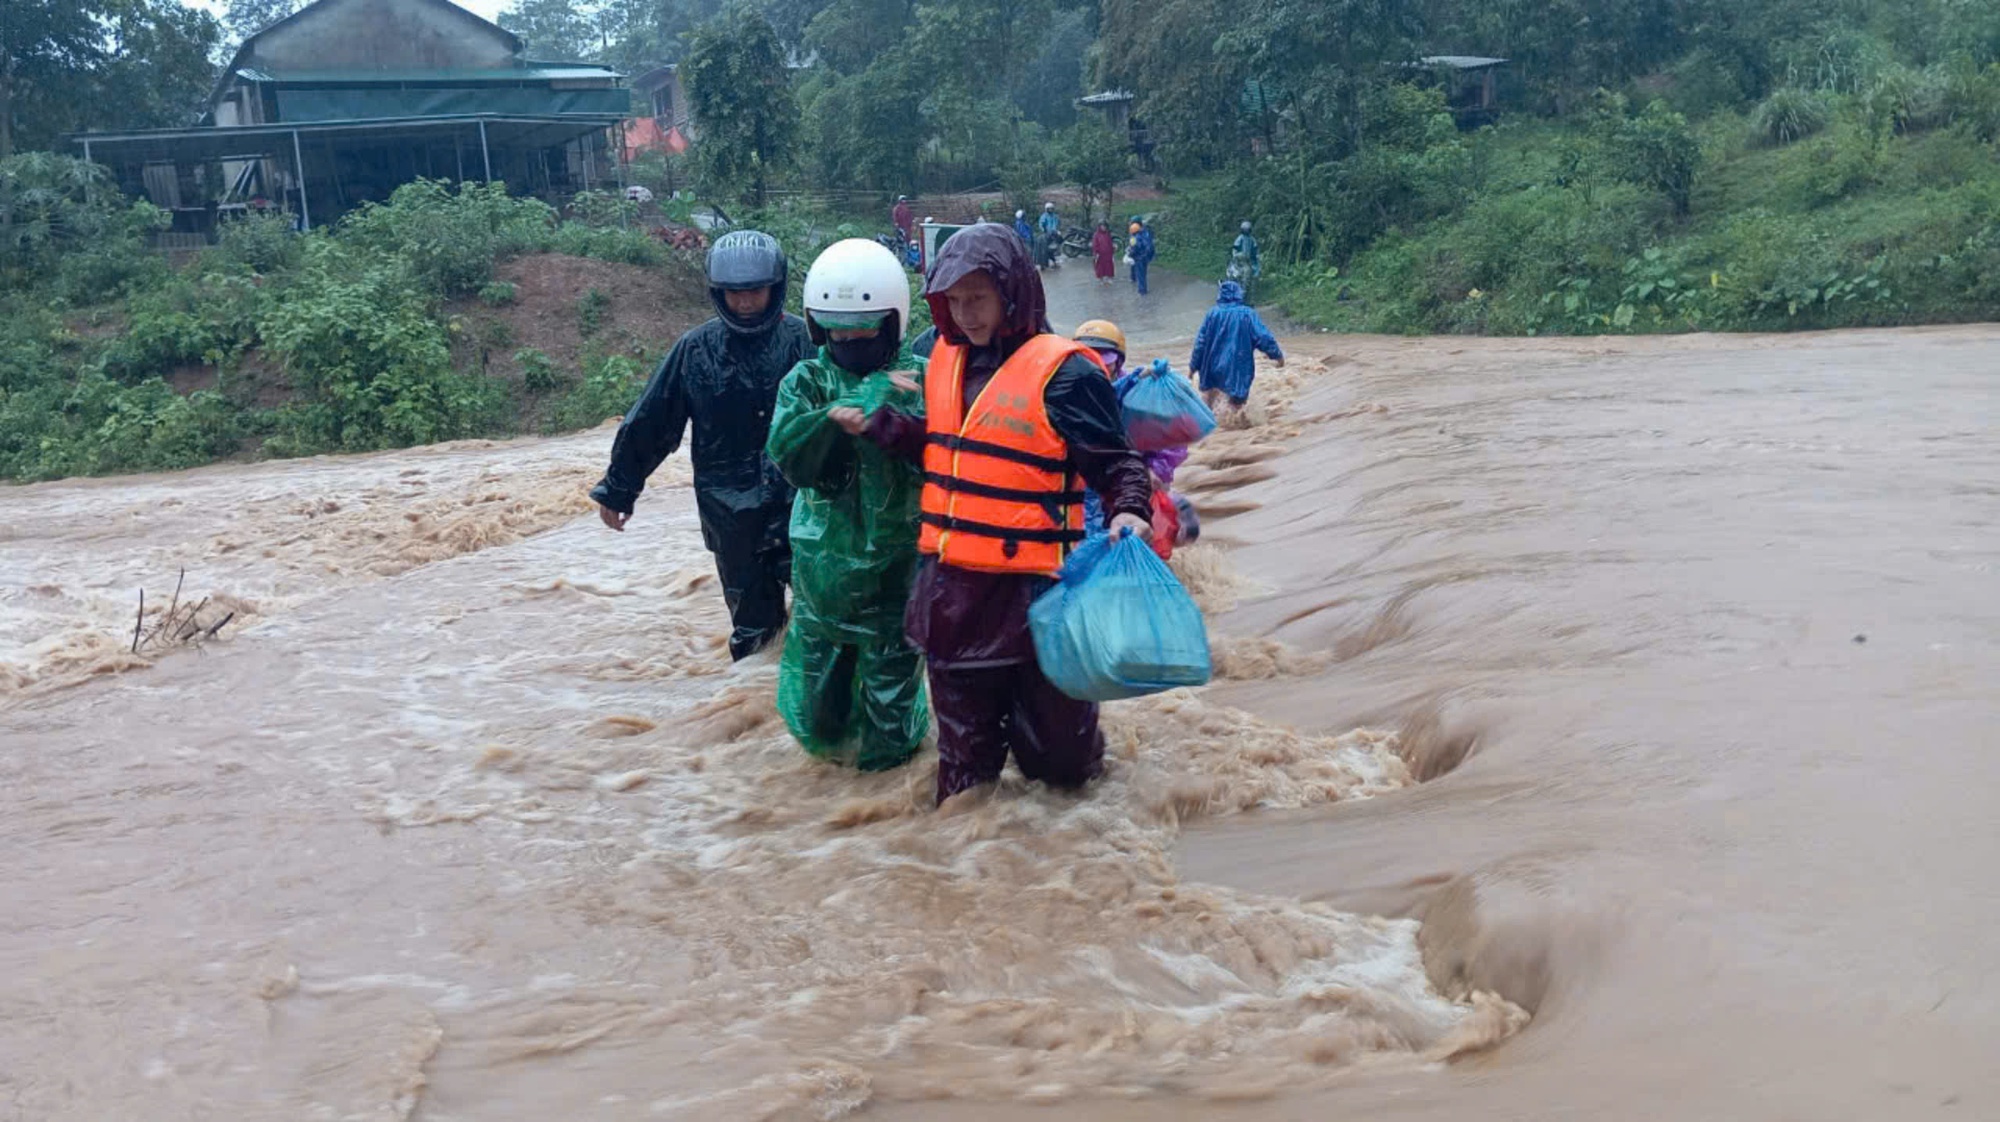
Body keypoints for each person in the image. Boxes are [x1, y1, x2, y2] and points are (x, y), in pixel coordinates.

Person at [832, 224, 1154, 805]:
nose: (965, 314)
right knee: (963, 778)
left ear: (1013, 291)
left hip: (1036, 602)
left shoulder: (1068, 375)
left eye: (976, 298)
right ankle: (964, 872)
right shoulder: (944, 362)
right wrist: (886, 427)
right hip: (952, 601)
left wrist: (1131, 510)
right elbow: (952, 451)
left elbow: (1119, 463)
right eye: (953, 302)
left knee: (1062, 769)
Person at [590, 230, 815, 661]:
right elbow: (652, 422)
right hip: (731, 517)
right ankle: (751, 713)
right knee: (755, 635)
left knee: (822, 619)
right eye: (735, 293)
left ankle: (809, 718)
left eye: (755, 291)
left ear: (777, 287)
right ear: (718, 293)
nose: (745, 302)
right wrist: (620, 488)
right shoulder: (695, 351)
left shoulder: (806, 342)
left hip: (803, 508)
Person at [765, 239, 929, 771]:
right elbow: (789, 455)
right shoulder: (808, 381)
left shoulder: (922, 379)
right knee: (820, 717)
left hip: (896, 578)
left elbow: (952, 452)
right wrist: (835, 415)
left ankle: (887, 813)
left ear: (892, 323)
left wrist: (891, 410)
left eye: (863, 329)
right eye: (837, 330)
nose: (850, 340)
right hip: (824, 578)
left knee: (891, 726)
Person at [1189, 279, 1284, 414]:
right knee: (1236, 407)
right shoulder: (1247, 314)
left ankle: (1210, 432)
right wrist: (1277, 356)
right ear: (1239, 294)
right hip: (1237, 369)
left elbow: (1200, 343)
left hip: (1211, 367)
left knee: (1208, 402)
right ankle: (1238, 431)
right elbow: (1264, 337)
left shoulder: (1212, 314)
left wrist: (1193, 367)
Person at [1228, 220, 1261, 299]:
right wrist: (1236, 256)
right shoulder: (1240, 238)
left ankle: (1245, 293)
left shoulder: (1252, 239)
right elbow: (1235, 248)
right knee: (1233, 274)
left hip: (1249, 262)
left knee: (1248, 275)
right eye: (1244, 229)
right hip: (1239, 261)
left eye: (1247, 229)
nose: (1246, 231)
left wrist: (1256, 258)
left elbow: (1255, 251)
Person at [1129, 216, 1156, 296]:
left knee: (1140, 274)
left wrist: (1130, 253)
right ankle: (1142, 288)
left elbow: (1134, 248)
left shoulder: (1134, 237)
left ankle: (1142, 290)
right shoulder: (1146, 232)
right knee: (1143, 273)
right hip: (1145, 256)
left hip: (1138, 257)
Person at [1036, 202, 1062, 268]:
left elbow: (1057, 224)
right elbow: (1041, 225)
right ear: (1046, 209)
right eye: (1049, 209)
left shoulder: (1055, 216)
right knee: (1045, 249)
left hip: (1054, 234)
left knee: (1054, 248)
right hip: (1046, 235)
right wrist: (1044, 230)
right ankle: (1044, 263)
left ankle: (1053, 260)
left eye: (1051, 209)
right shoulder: (1044, 216)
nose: (1050, 210)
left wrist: (1057, 230)